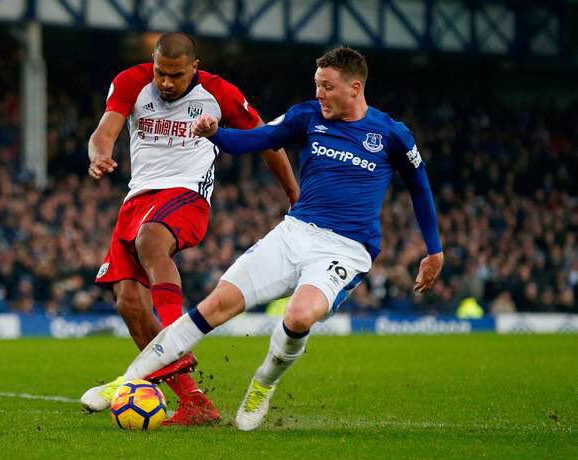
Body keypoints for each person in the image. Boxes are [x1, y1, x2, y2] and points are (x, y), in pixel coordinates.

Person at [99, 46, 444, 430]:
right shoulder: (306, 116)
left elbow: (420, 187)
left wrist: (434, 250)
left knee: (298, 316)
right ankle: (128, 379)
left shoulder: (392, 135)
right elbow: (258, 139)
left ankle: (263, 383)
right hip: (294, 232)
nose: (319, 94)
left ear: (354, 88)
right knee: (216, 303)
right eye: (317, 85)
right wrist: (217, 135)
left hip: (346, 248)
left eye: (327, 87)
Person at [81, 32, 299, 425]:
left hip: (186, 195)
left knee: (152, 241)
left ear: (194, 68)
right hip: (137, 200)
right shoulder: (130, 81)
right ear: (152, 62)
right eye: (161, 73)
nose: (166, 82)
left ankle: (177, 329)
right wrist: (99, 155)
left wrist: (293, 194)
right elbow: (105, 131)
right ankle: (195, 402)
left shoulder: (220, 93)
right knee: (129, 303)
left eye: (176, 76)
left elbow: (268, 141)